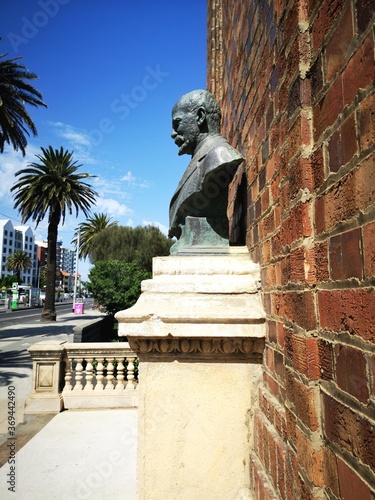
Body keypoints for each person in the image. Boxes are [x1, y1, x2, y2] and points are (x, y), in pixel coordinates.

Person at [169, 90, 244, 240]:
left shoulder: (219, 156)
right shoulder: (200, 160)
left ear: (200, 117)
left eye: (177, 123)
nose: (173, 133)